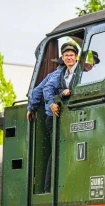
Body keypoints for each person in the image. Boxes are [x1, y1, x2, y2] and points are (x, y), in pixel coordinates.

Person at [26, 41, 79, 192]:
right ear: (63, 58)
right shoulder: (57, 75)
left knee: (57, 151)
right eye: (66, 56)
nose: (69, 58)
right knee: (57, 151)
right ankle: (50, 188)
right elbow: (45, 90)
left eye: (71, 55)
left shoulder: (64, 73)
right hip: (55, 116)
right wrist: (48, 103)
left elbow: (36, 91)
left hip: (58, 115)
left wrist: (31, 107)